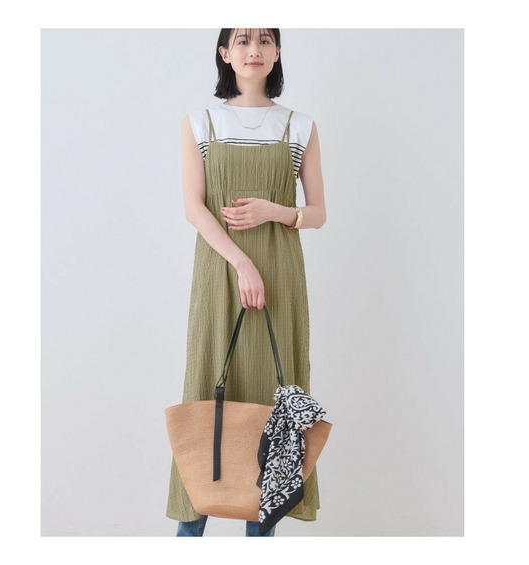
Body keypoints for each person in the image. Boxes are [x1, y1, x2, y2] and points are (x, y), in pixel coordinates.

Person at [166, 28, 327, 537]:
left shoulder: (299, 125)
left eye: (263, 41)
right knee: (206, 392)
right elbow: (195, 208)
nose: (252, 50)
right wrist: (241, 263)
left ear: (277, 52)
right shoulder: (201, 122)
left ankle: (261, 536)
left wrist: (275, 211)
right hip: (221, 273)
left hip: (281, 275)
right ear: (224, 53)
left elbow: (318, 213)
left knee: (273, 398)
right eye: (241, 41)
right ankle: (190, 532)